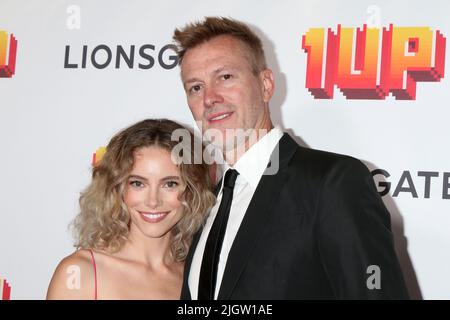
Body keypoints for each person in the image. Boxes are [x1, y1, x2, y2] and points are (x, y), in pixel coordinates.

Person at [172, 17, 409, 299]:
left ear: (266, 84)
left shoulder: (332, 184)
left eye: (225, 77)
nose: (210, 98)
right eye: (195, 87)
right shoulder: (207, 201)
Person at [47, 119, 215, 299]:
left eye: (170, 184)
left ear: (193, 190)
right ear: (117, 188)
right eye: (138, 183)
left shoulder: (200, 277)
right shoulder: (81, 273)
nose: (153, 201)